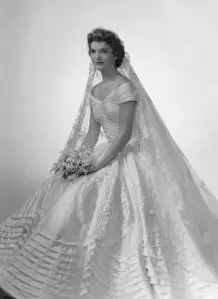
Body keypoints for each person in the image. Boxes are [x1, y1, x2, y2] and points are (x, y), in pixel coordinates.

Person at [0, 27, 218, 299]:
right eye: (93, 51)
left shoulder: (125, 87)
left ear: (116, 54)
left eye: (103, 51)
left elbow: (124, 135)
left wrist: (97, 165)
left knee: (117, 205)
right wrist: (77, 159)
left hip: (127, 153)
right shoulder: (95, 89)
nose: (97, 56)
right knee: (69, 197)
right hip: (104, 150)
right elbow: (92, 132)